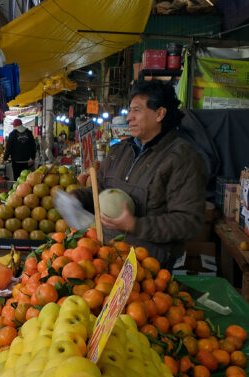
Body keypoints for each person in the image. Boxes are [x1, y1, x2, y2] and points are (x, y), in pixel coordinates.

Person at [72, 80, 208, 268]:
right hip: (105, 260)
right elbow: (100, 190)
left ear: (159, 114)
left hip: (148, 269)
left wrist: (135, 225)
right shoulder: (119, 151)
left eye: (136, 110)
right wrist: (75, 198)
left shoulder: (182, 159)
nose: (129, 117)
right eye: (129, 111)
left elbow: (189, 221)